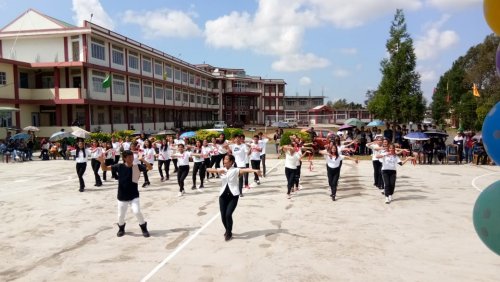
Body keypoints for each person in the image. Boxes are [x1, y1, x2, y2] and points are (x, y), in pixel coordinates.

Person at [206, 154, 262, 241]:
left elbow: (246, 170)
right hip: (223, 196)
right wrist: (218, 171)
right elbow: (208, 169)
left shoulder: (236, 170)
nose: (224, 161)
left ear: (231, 162)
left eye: (227, 159)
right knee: (223, 216)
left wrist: (255, 170)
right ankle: (227, 230)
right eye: (224, 159)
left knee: (228, 215)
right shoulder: (221, 169)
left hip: (233, 195)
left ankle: (229, 232)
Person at [98, 150, 152, 237]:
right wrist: (102, 162)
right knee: (120, 216)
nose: (131, 158)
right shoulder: (119, 166)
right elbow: (104, 168)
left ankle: (144, 227)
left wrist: (143, 160)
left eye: (132, 157)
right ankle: (121, 228)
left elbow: (149, 168)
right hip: (122, 196)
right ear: (124, 158)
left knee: (137, 212)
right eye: (129, 157)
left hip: (134, 195)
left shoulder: (137, 166)